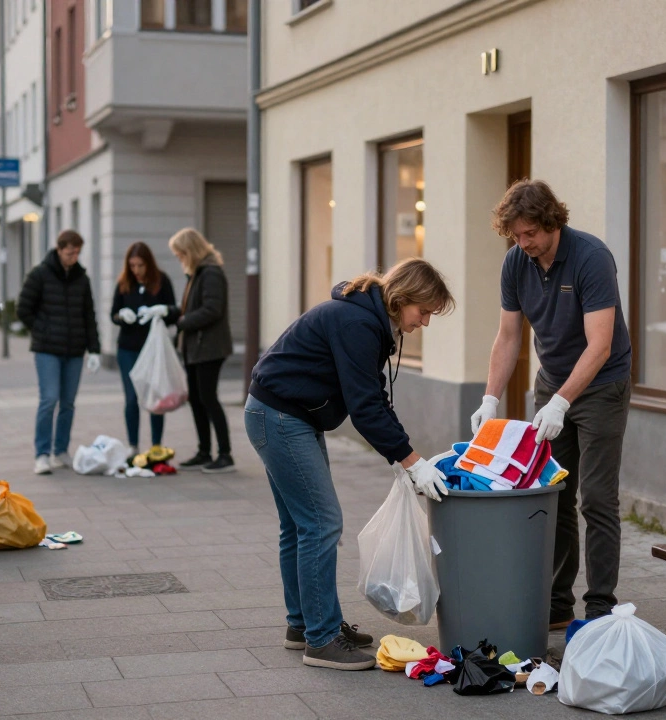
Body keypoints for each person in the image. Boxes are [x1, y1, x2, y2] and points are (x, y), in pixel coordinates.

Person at [246, 258, 454, 670]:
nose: (426, 322)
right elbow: (364, 408)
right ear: (402, 298)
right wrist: (411, 461)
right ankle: (321, 640)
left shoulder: (366, 319)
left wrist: (403, 455)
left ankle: (303, 625)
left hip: (282, 414)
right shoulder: (357, 323)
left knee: (299, 524)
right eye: (424, 311)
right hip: (281, 417)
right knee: (321, 522)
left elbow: (374, 397)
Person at [470, 179, 632, 628]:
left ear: (551, 222)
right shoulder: (516, 263)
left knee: (597, 498)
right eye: (516, 236)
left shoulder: (591, 258)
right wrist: (490, 397)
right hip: (552, 383)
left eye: (530, 235)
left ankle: (599, 606)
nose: (523, 244)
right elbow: (508, 337)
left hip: (602, 386)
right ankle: (557, 605)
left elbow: (600, 346)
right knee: (553, 494)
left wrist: (562, 402)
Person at [18, 230, 102, 475]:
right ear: (59, 249)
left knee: (68, 403)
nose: (73, 257)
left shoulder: (81, 278)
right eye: (69, 252)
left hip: (74, 350)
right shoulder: (40, 274)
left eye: (77, 253)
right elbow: (23, 309)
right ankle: (42, 454)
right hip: (47, 350)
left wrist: (94, 349)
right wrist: (43, 330)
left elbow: (89, 316)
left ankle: (61, 450)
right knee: (49, 399)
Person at [163, 228, 235, 473]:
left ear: (190, 251)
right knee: (196, 399)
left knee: (208, 398)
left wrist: (182, 322)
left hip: (209, 347)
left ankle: (225, 454)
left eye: (180, 253)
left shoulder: (211, 273)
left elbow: (212, 310)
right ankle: (204, 451)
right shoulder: (198, 273)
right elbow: (192, 308)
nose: (178, 258)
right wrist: (171, 313)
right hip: (196, 347)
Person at [110, 241, 177, 456]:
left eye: (140, 265)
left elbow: (174, 311)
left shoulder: (161, 281)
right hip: (128, 348)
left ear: (148, 263)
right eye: (132, 265)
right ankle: (133, 446)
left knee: (154, 396)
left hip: (153, 349)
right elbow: (113, 313)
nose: (136, 270)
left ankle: (156, 445)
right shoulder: (123, 283)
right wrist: (122, 316)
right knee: (131, 398)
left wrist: (162, 311)